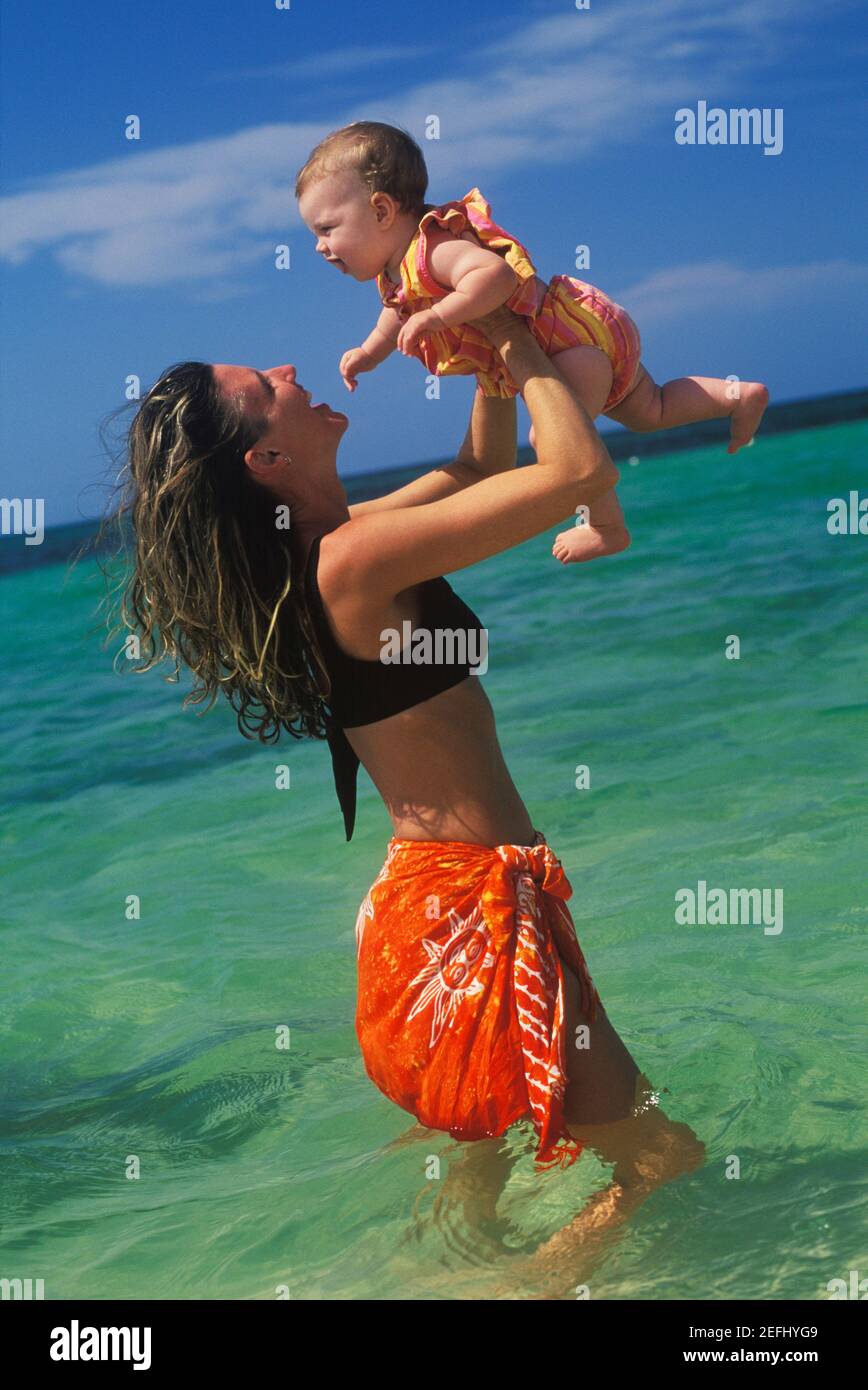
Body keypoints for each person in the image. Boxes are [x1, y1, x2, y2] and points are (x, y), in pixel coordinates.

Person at [112, 301, 704, 1285]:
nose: (292, 365)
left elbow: (479, 471)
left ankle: (429, 1273)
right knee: (657, 1157)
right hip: (470, 914)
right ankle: (506, 1289)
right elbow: (572, 475)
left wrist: (485, 355)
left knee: (482, 1151)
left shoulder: (341, 545)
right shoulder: (349, 561)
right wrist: (519, 337)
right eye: (268, 385)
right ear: (264, 460)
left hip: (426, 908)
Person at [295, 120, 769, 566]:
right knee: (651, 408)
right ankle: (735, 397)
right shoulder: (400, 271)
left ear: (381, 210)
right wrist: (369, 354)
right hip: (583, 331)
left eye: (326, 228)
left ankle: (607, 526)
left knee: (557, 439)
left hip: (561, 341)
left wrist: (439, 316)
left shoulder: (433, 247)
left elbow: (495, 275)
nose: (319, 245)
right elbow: (394, 316)